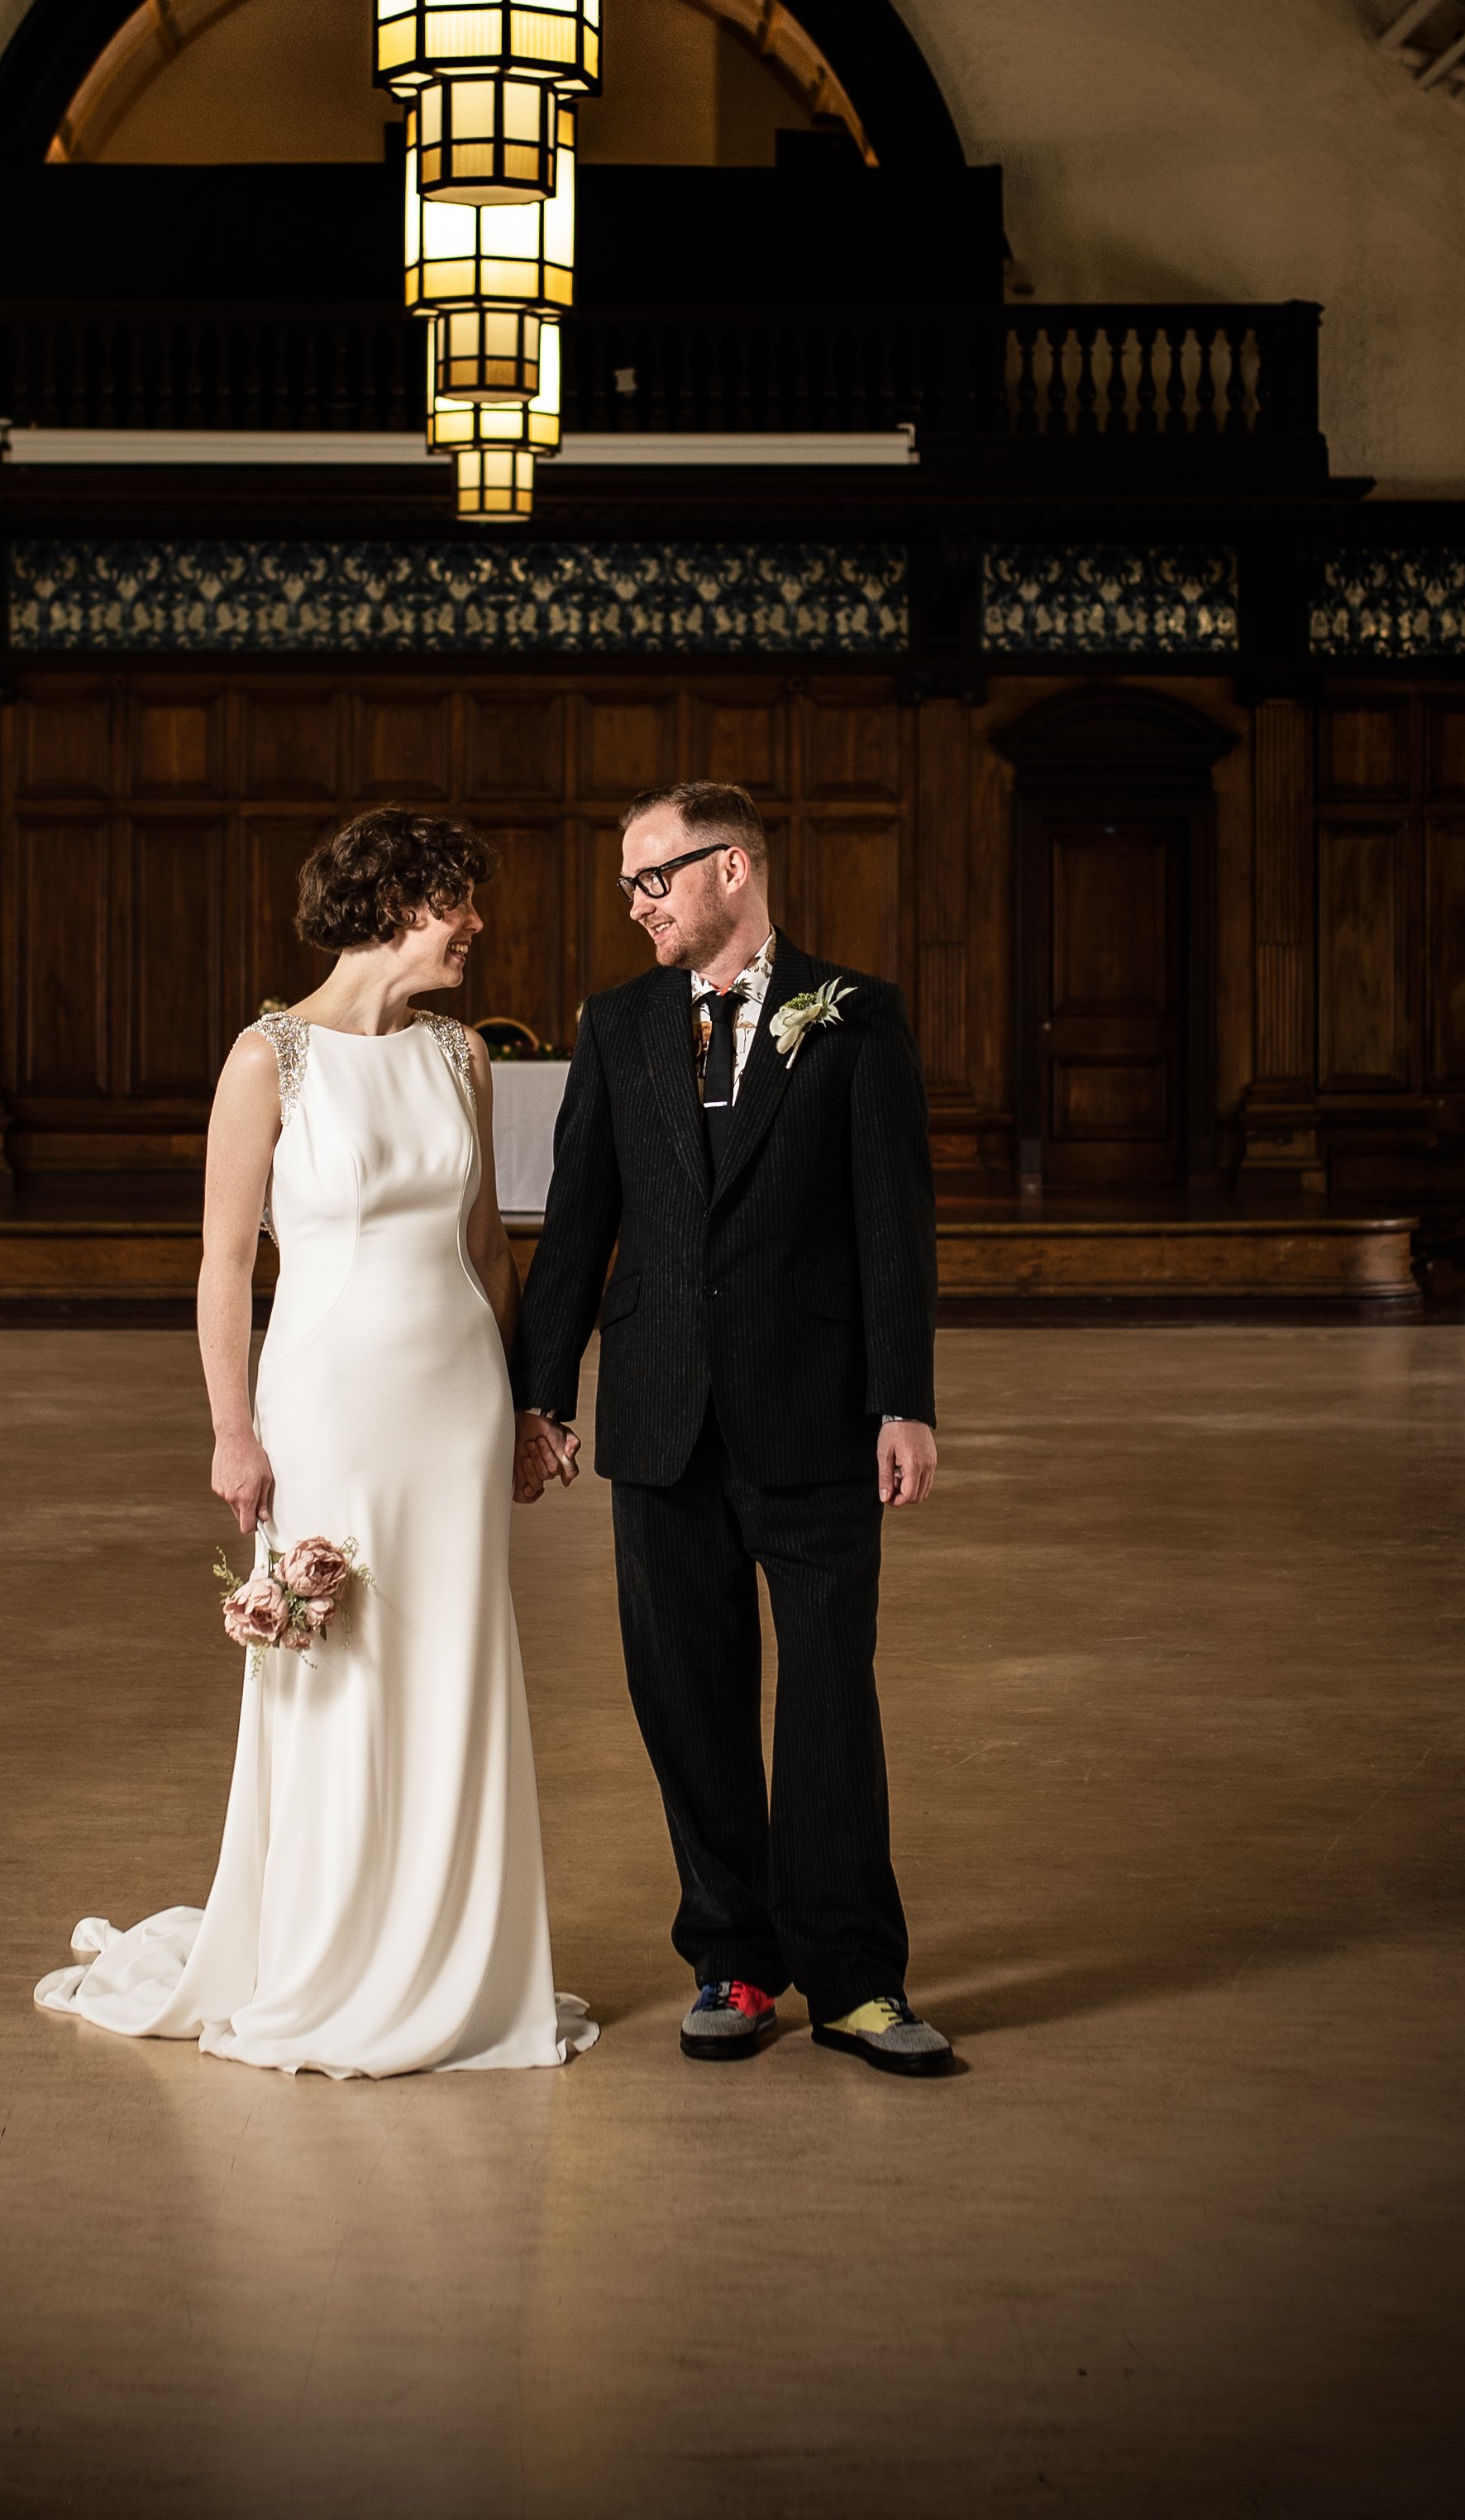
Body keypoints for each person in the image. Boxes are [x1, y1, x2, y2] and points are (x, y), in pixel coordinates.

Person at [34, 804, 594, 2078]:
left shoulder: (461, 1053)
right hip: (327, 1398)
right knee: (338, 1661)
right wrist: (234, 1430)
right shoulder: (266, 1057)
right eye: (459, 899)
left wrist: (516, 1408)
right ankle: (330, 1955)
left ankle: (457, 1962)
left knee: (452, 1658)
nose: (477, 925)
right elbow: (227, 1264)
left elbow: (487, 1246)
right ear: (398, 904)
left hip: (452, 1399)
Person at [512, 780, 951, 2075]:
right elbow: (577, 1222)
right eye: (630, 886)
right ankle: (735, 1960)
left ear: (736, 869)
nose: (640, 904)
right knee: (686, 1700)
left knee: (827, 1698)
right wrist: (546, 1395)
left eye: (660, 877)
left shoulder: (857, 1017)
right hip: (658, 1420)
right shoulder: (620, 1024)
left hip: (814, 1416)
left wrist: (904, 1398)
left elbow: (894, 1228)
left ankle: (858, 1980)